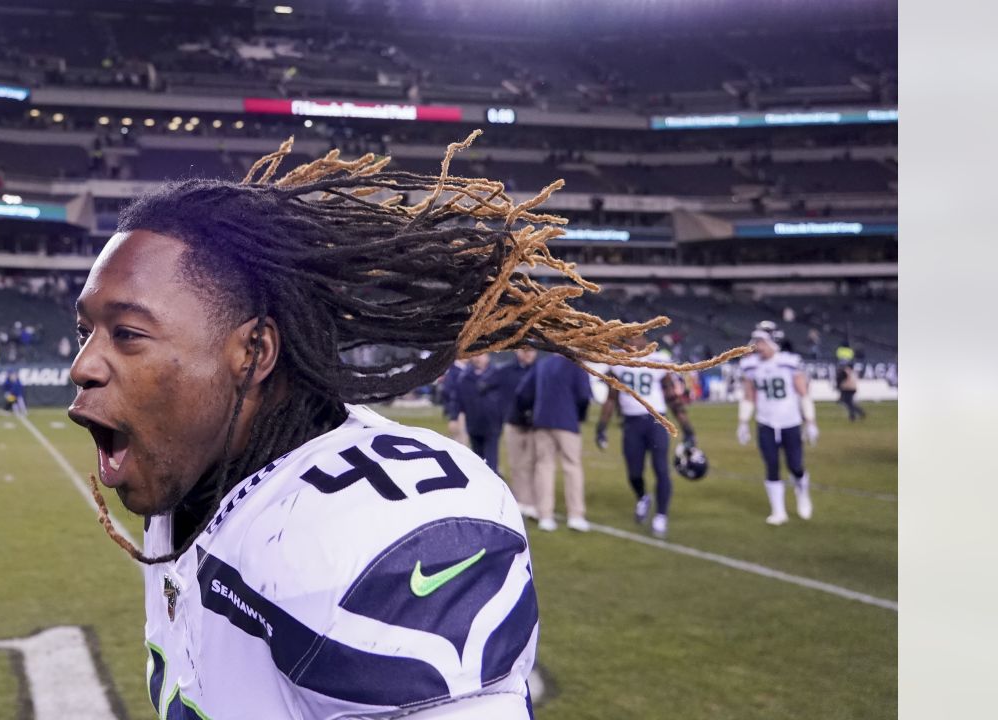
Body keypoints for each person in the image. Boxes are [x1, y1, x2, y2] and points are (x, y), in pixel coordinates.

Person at [63, 134, 743, 718]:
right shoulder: (197, 476)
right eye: (84, 330)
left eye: (125, 333)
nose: (82, 367)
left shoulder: (375, 527)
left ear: (254, 352)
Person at [594, 338, 697, 539]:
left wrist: (687, 428)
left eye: (637, 334)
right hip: (631, 424)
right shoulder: (618, 360)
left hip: (656, 421)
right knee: (633, 472)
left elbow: (672, 398)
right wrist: (601, 427)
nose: (633, 339)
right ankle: (642, 497)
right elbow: (611, 398)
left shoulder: (657, 360)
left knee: (661, 469)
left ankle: (661, 515)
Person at [737, 327, 819, 525]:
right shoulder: (750, 366)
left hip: (790, 422)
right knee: (771, 466)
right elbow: (749, 396)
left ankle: (802, 493)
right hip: (765, 422)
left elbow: (803, 393)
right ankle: (778, 511)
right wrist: (743, 422)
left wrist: (810, 422)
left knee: (795, 466)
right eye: (756, 342)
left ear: (773, 342)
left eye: (762, 342)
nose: (758, 346)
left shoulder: (789, 362)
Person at [514, 353, 594, 532]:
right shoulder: (575, 363)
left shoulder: (542, 364)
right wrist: (577, 416)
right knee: (572, 467)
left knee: (544, 467)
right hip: (567, 422)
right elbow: (583, 396)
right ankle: (575, 515)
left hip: (542, 421)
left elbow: (523, 392)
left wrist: (530, 412)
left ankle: (545, 516)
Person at [495, 348, 539, 519]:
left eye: (531, 351)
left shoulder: (541, 370)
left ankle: (535, 501)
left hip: (535, 425)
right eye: (524, 350)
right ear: (516, 351)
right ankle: (521, 501)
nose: (528, 353)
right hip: (513, 422)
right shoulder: (505, 371)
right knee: (517, 464)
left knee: (534, 463)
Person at [450, 353, 505, 471]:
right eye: (476, 355)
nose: (478, 358)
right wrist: (454, 417)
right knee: (477, 459)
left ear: (488, 356)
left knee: (491, 460)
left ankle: (493, 483)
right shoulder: (464, 377)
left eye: (481, 354)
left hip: (492, 424)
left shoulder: (497, 374)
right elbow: (457, 399)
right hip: (473, 423)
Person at [439, 358, 471, 446]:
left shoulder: (465, 369)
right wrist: (453, 415)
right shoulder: (454, 371)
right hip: (459, 411)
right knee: (461, 440)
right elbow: (447, 391)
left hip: (467, 410)